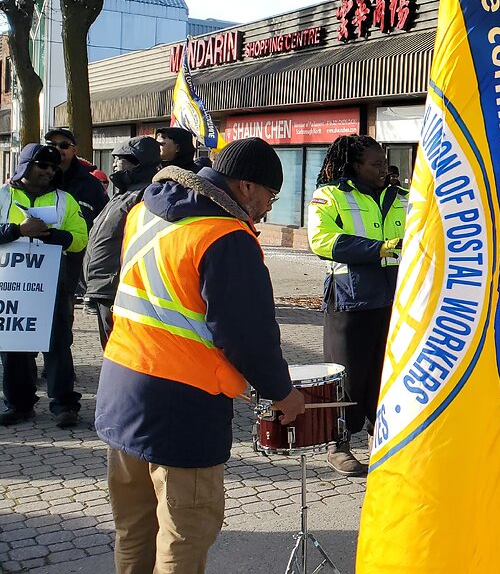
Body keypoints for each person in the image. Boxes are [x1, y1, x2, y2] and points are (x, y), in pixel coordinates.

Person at [96, 136, 305, 573]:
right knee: (184, 534)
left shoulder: (145, 211)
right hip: (182, 408)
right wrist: (281, 392)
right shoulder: (225, 236)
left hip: (121, 390)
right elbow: (246, 333)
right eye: (270, 194)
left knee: (134, 528)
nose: (268, 207)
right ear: (246, 187)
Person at [308, 135, 405, 477]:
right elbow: (321, 240)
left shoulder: (403, 198)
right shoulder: (330, 196)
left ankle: (381, 436)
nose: (383, 169)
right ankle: (338, 443)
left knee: (387, 371)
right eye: (375, 163)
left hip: (396, 298)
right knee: (346, 373)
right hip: (350, 296)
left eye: (384, 162)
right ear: (355, 165)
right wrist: (377, 249)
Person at [0, 144, 88, 428]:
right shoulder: (3, 196)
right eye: (42, 166)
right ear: (25, 165)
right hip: (10, 286)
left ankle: (64, 405)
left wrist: (54, 235)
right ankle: (19, 404)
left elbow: (80, 238)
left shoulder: (65, 200)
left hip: (49, 284)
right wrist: (17, 231)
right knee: (14, 346)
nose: (49, 172)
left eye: (52, 168)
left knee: (58, 344)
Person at [82, 137, 164, 348]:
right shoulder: (123, 194)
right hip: (103, 286)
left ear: (138, 163)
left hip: (117, 287)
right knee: (111, 349)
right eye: (115, 157)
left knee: (120, 349)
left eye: (122, 158)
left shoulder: (145, 195)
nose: (116, 162)